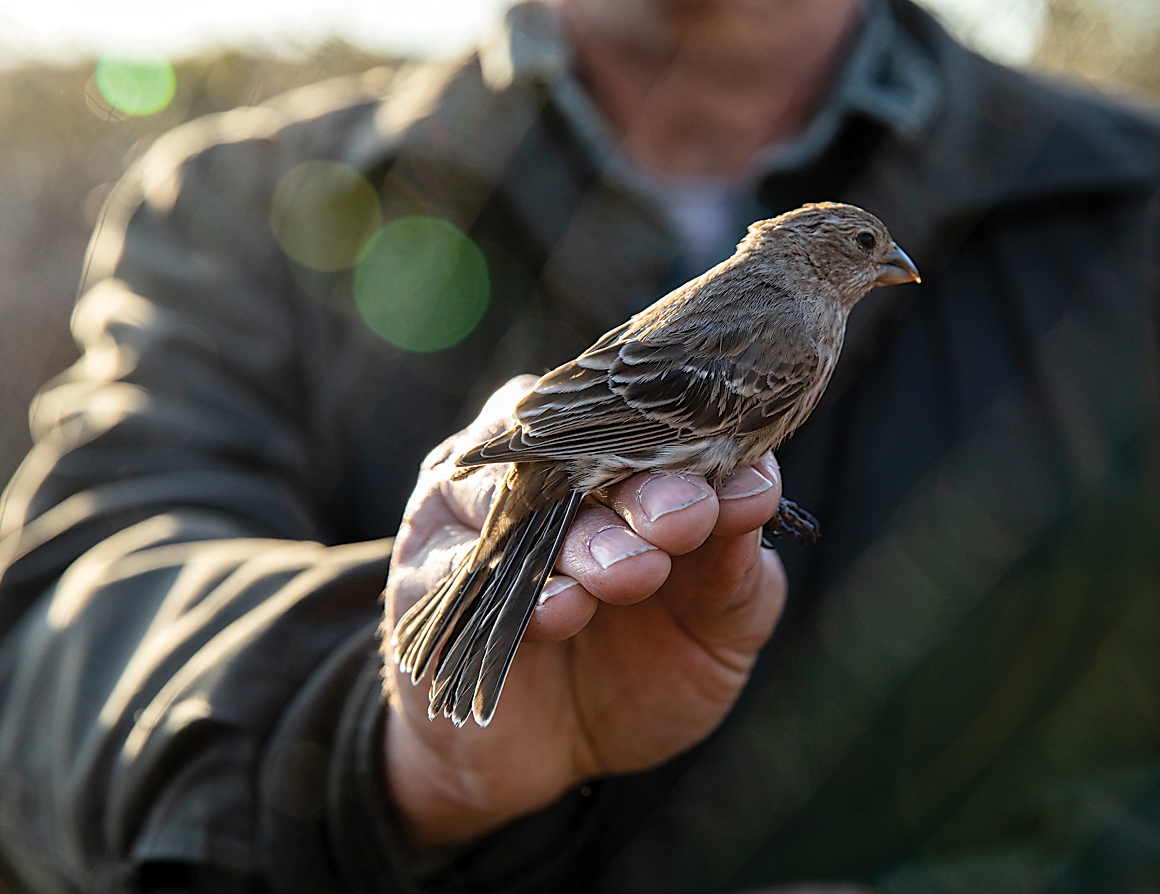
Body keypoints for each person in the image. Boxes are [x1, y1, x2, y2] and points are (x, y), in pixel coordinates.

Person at [0, 0, 1158, 890]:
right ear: (819, 256)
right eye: (867, 246)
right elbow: (61, 627)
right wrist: (370, 752)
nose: (890, 263)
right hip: (581, 477)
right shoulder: (235, 205)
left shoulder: (1127, 214)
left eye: (884, 250)